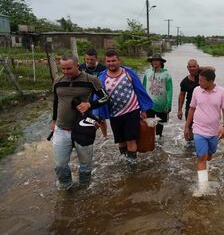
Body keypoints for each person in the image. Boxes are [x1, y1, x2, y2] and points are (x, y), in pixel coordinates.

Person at [51, 54, 109, 190]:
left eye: (69, 68)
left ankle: (85, 188)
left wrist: (90, 104)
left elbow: (106, 98)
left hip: (83, 127)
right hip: (61, 129)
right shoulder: (58, 81)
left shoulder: (91, 80)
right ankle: (66, 187)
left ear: (78, 66)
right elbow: (55, 102)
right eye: (63, 69)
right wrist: (53, 120)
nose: (66, 72)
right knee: (60, 165)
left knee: (85, 164)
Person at [98, 49, 153, 160]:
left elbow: (139, 90)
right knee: (121, 141)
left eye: (113, 60)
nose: (111, 63)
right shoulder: (102, 77)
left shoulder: (128, 73)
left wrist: (143, 110)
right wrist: (98, 114)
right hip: (114, 114)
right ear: (105, 62)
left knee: (131, 139)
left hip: (131, 111)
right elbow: (98, 97)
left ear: (119, 60)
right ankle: (124, 163)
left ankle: (131, 166)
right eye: (108, 61)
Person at [184, 69, 224, 197]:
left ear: (210, 81)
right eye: (199, 80)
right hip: (198, 129)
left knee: (209, 155)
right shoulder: (197, 90)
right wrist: (187, 127)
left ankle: (205, 170)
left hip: (214, 131)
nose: (199, 83)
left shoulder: (221, 92)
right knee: (201, 157)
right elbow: (192, 108)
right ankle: (203, 188)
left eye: (202, 81)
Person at [177, 59, 214, 142]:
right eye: (190, 67)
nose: (192, 68)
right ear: (187, 68)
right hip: (190, 107)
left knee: (204, 127)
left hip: (204, 107)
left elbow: (212, 69)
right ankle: (190, 148)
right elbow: (182, 95)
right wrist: (180, 110)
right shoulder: (184, 82)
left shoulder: (203, 77)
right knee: (189, 127)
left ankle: (203, 144)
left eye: (194, 66)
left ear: (197, 66)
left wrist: (198, 68)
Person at [143, 54, 173, 142]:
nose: (155, 62)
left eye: (157, 60)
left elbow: (169, 90)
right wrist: (142, 103)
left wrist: (168, 104)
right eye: (153, 60)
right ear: (151, 62)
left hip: (162, 104)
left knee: (160, 125)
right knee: (148, 124)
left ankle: (159, 143)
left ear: (161, 62)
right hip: (149, 104)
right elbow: (143, 87)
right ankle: (150, 142)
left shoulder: (166, 74)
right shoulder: (147, 72)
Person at [79, 47, 108, 137]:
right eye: (87, 59)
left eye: (92, 59)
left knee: (102, 119)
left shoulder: (103, 68)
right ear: (84, 58)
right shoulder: (81, 67)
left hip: (99, 96)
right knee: (87, 118)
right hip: (86, 97)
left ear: (96, 58)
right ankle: (89, 136)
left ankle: (105, 136)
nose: (89, 61)